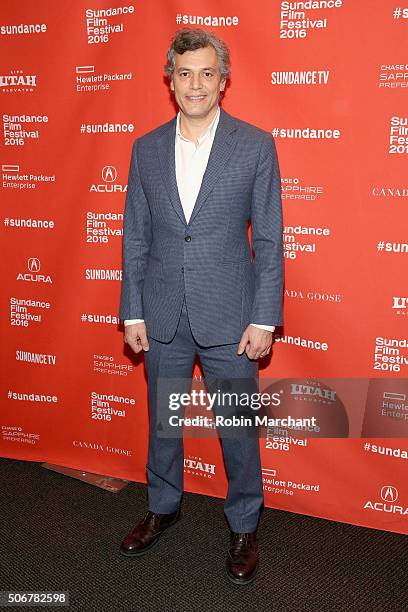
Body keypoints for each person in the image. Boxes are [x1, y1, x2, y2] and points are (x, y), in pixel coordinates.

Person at [118, 28, 284, 585]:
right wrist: (133, 311)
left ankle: (244, 523)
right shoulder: (144, 148)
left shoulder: (256, 145)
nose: (196, 83)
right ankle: (162, 508)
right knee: (164, 424)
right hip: (163, 312)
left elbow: (270, 239)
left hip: (231, 316)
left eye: (207, 73)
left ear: (223, 80)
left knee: (237, 428)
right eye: (185, 72)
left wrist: (264, 318)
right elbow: (135, 236)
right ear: (170, 80)